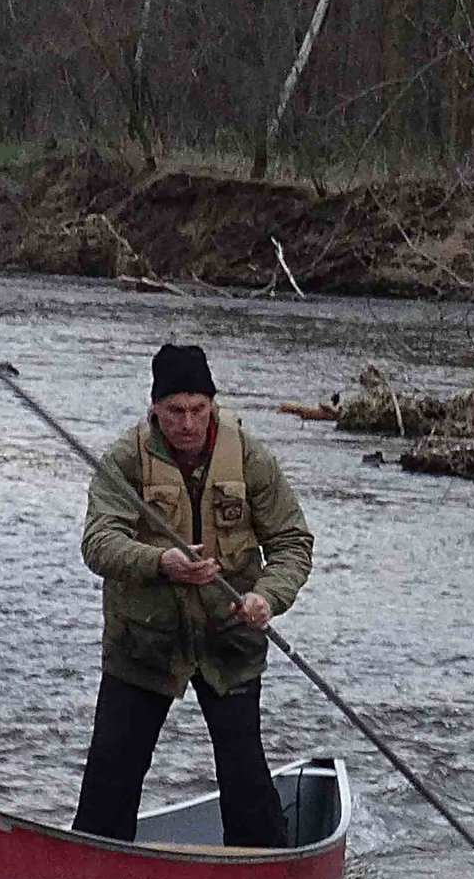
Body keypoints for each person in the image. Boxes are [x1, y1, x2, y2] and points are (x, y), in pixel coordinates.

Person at [72, 343, 314, 848]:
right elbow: (98, 543)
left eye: (198, 410)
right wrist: (160, 563)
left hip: (230, 641)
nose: (187, 422)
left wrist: (267, 598)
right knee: (109, 783)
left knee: (246, 781)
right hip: (143, 646)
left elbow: (292, 544)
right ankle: (90, 876)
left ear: (213, 406)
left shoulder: (249, 457)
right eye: (175, 411)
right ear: (155, 407)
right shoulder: (124, 460)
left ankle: (263, 875)